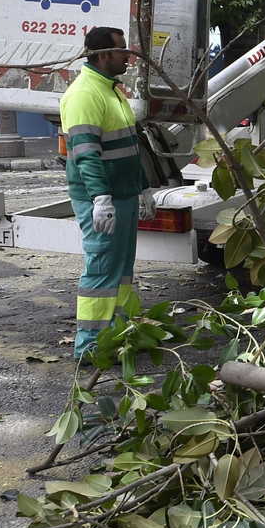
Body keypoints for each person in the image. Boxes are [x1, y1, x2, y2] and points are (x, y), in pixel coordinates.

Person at [60, 26, 152, 359]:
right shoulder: (85, 94)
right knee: (101, 271)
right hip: (103, 199)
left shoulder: (111, 90)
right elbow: (86, 154)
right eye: (122, 51)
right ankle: (90, 348)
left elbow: (128, 146)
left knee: (120, 273)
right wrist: (100, 199)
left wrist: (144, 188)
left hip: (121, 195)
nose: (129, 56)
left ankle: (116, 336)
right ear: (102, 55)